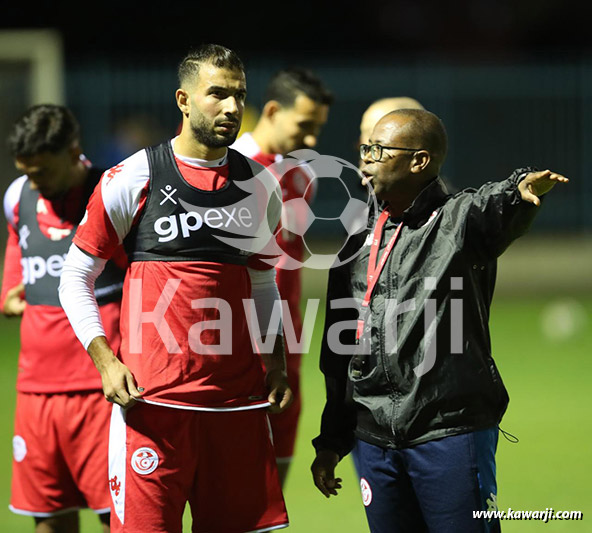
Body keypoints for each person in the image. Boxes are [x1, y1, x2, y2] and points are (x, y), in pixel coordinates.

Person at [58, 44, 292, 533]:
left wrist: (275, 360)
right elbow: (75, 276)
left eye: (239, 95)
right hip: (153, 407)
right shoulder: (133, 177)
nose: (231, 108)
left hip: (237, 408)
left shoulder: (262, 186)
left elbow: (262, 278)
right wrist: (105, 359)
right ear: (183, 100)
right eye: (218, 95)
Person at [310, 108, 568, 533]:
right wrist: (333, 440)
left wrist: (518, 189)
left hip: (448, 433)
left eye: (378, 149)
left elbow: (494, 204)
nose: (366, 160)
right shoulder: (357, 239)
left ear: (419, 161)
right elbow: (339, 351)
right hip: (375, 443)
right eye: (365, 148)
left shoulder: (457, 221)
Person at [2, 104, 126, 533]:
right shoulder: (18, 195)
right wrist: (9, 291)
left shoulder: (113, 193)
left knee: (118, 517)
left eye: (44, 172)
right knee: (49, 517)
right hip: (36, 390)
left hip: (101, 390)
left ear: (74, 153)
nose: (35, 182)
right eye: (28, 171)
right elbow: (18, 244)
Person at [232, 67, 333, 486]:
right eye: (304, 126)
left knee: (274, 487)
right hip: (235, 348)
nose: (311, 140)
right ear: (272, 110)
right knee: (231, 493)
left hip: (286, 346)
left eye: (318, 129)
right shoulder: (228, 171)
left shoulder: (301, 175)